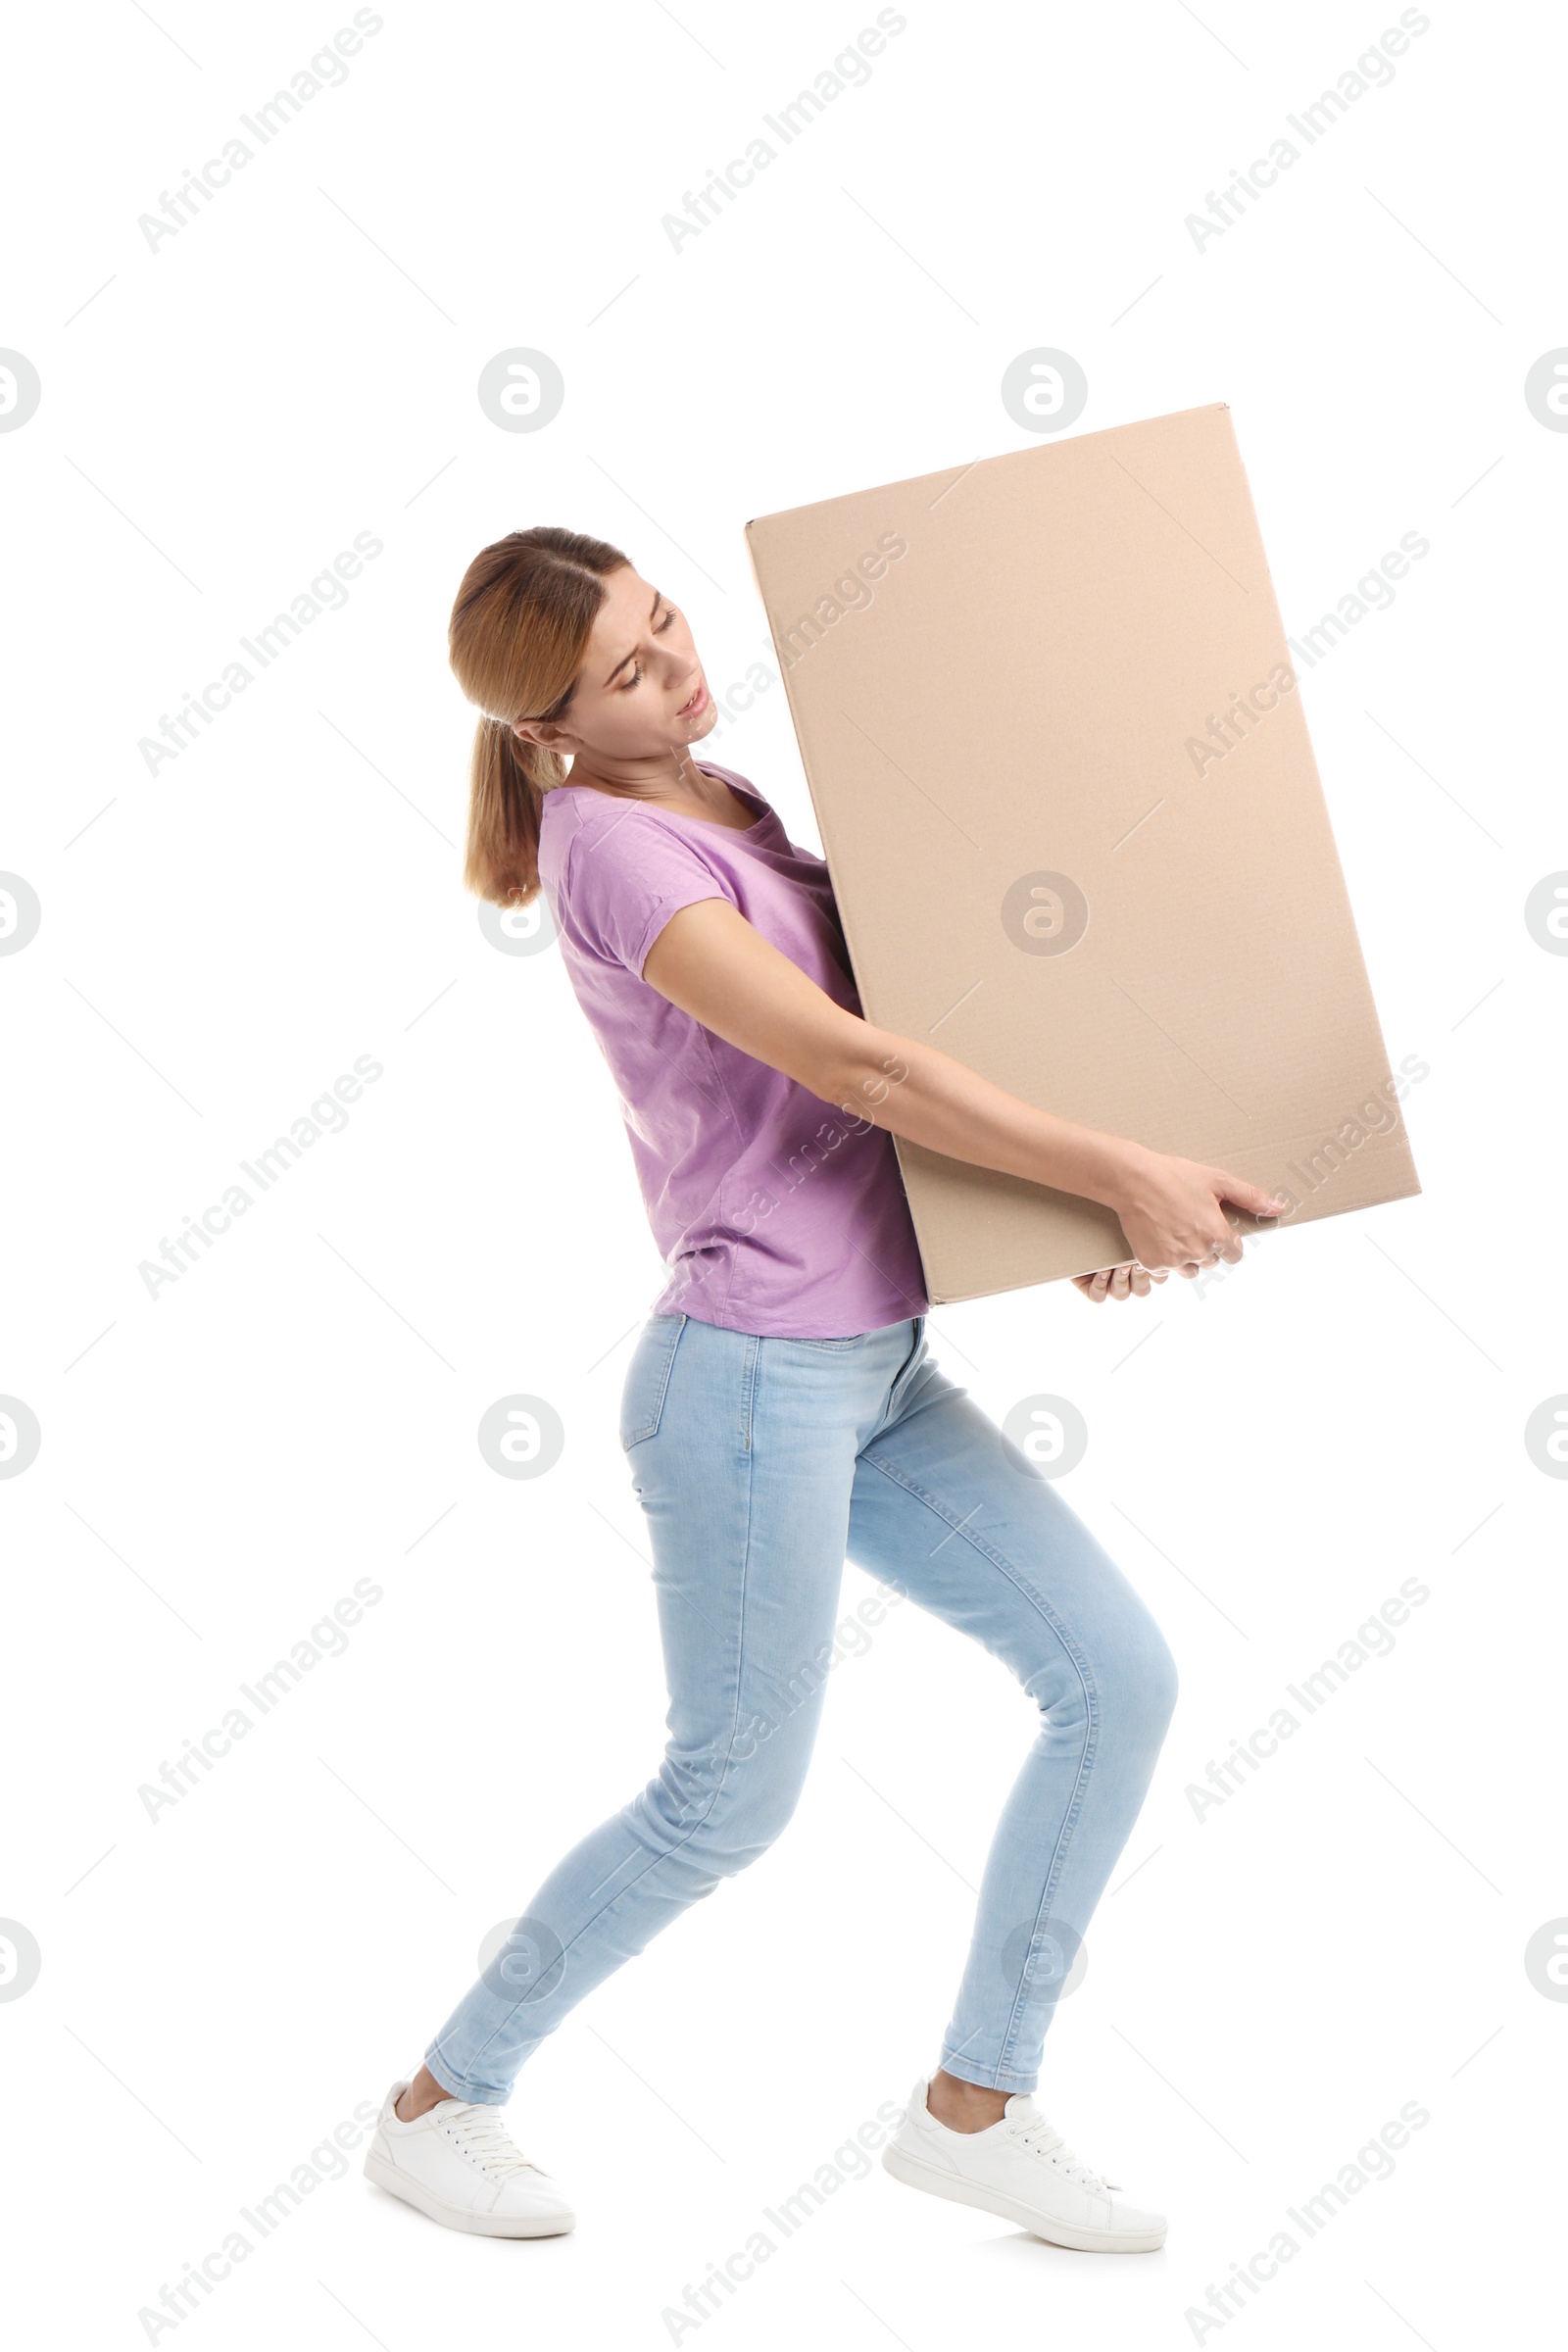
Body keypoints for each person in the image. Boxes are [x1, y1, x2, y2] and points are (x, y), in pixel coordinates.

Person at [363, 526, 1285, 2251]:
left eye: (669, 622)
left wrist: (1070, 1205)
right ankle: (439, 2107)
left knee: (1118, 1676)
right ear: (550, 728)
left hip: (874, 1366)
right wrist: (1114, 1160)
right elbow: (853, 1061)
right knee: (729, 1797)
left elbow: (914, 1033)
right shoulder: (616, 849)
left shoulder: (722, 796)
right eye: (631, 673)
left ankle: (977, 2108)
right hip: (748, 1381)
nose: (680, 668)